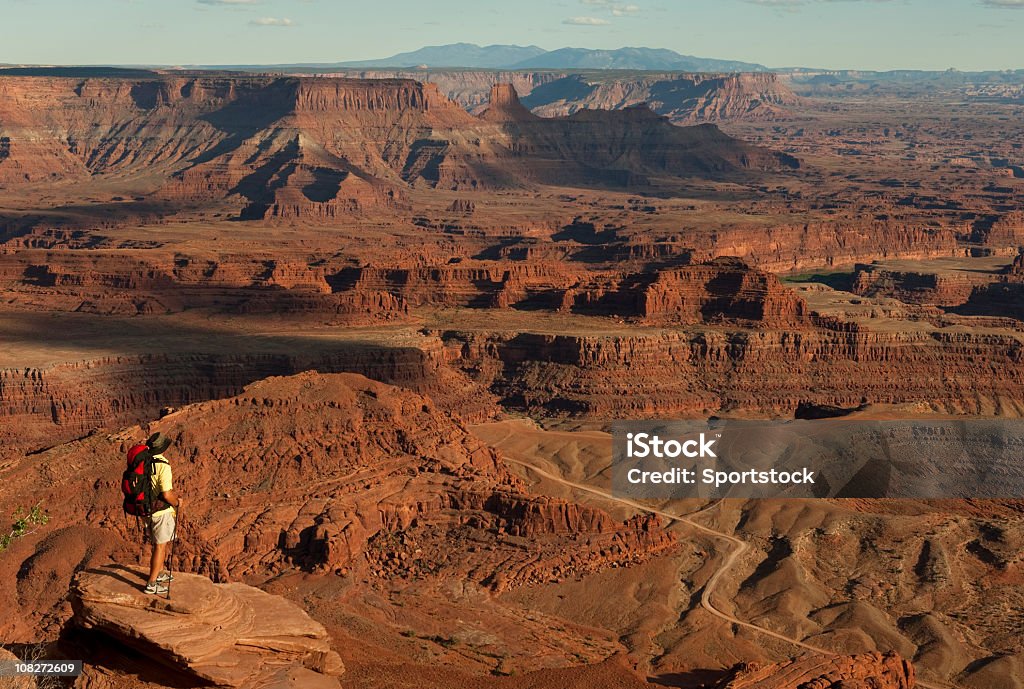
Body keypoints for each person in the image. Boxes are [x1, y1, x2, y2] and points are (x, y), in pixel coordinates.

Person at [144, 432, 184, 596]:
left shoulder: (145, 460)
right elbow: (166, 494)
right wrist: (177, 503)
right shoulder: (163, 464)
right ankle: (151, 584)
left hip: (147, 508)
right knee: (160, 546)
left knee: (160, 543)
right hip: (160, 510)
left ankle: (159, 574)